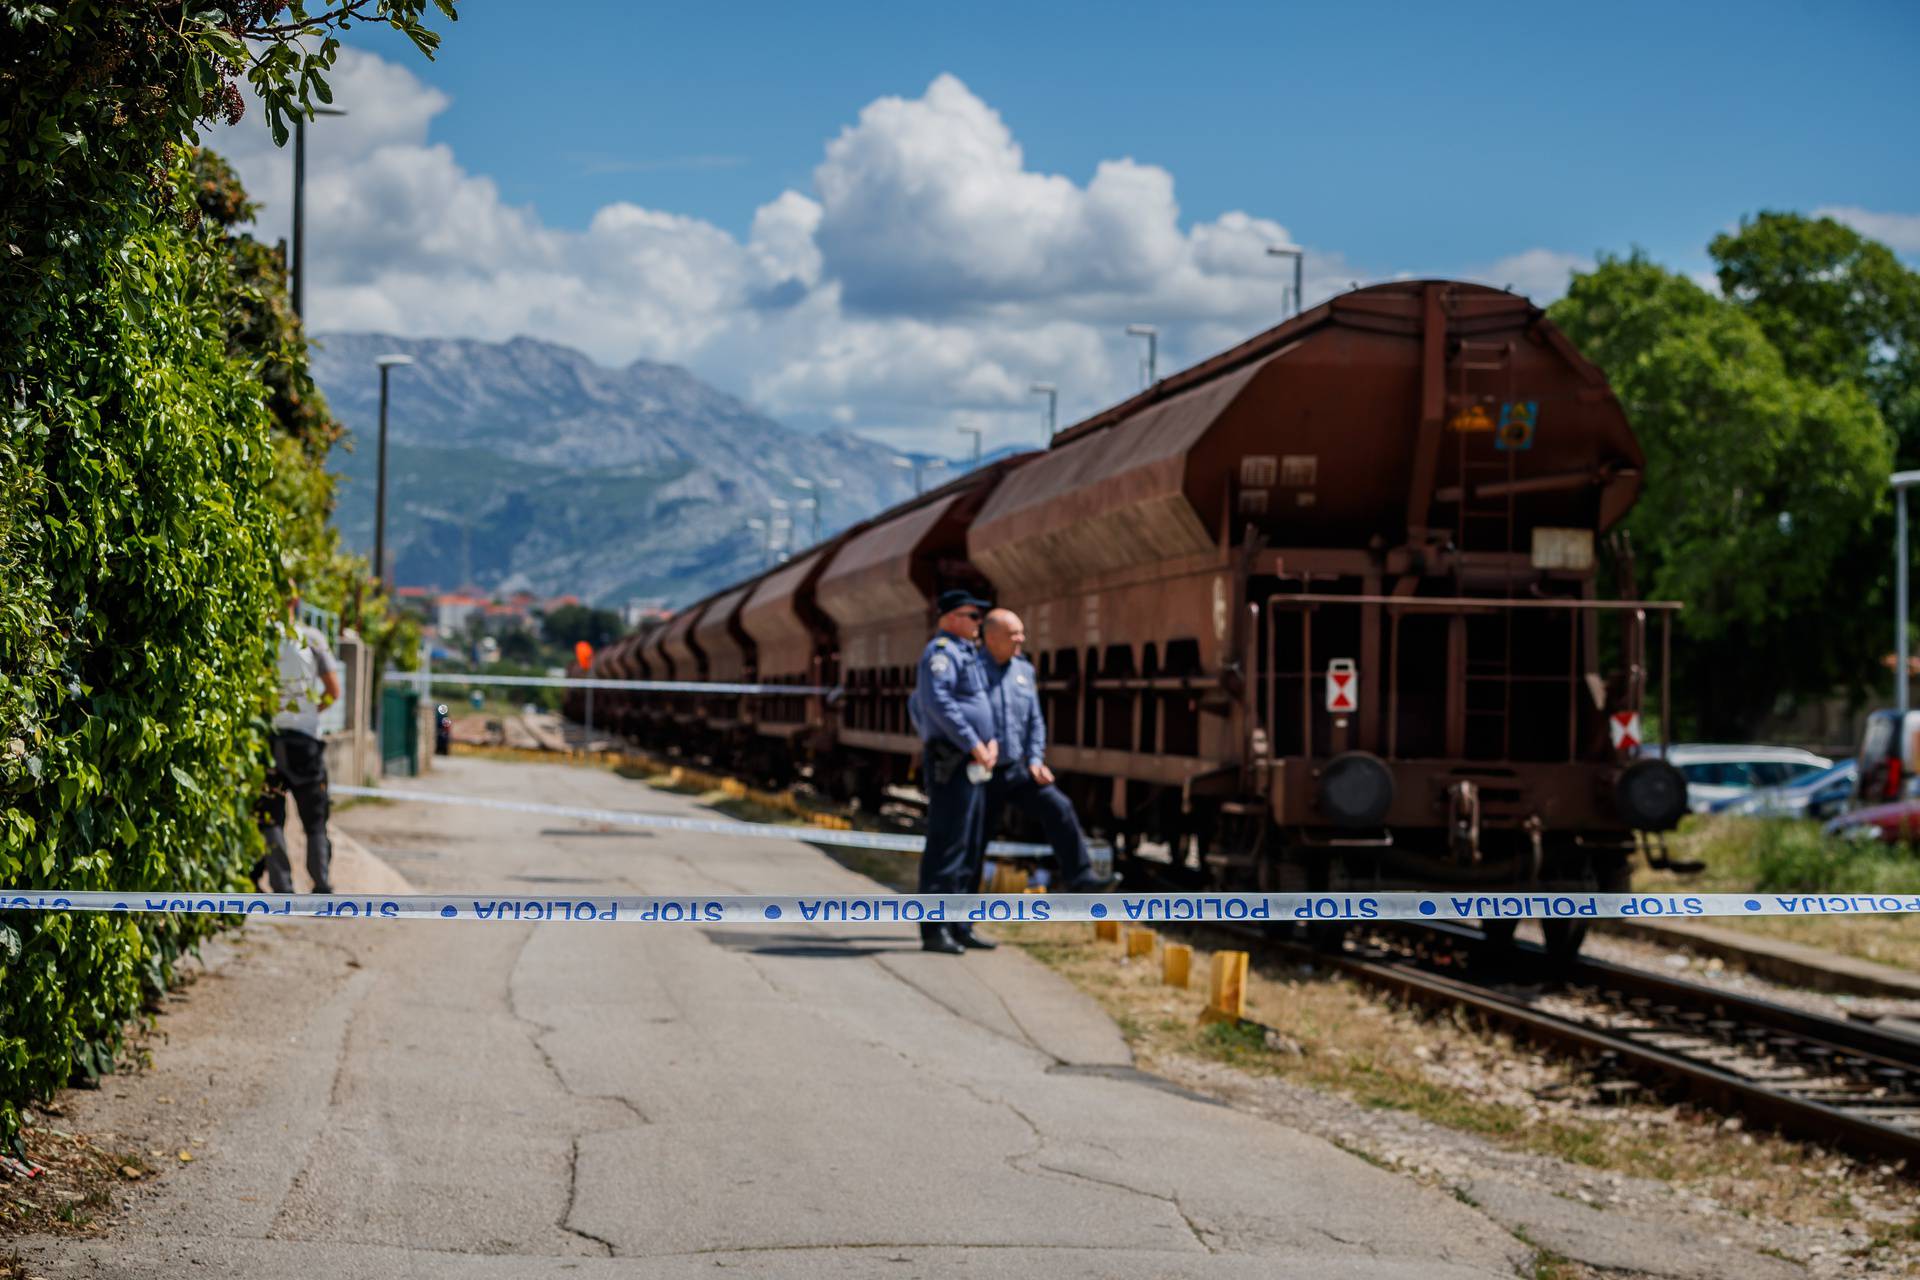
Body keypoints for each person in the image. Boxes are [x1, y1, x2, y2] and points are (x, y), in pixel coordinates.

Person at [975, 609, 1118, 896]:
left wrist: (1036, 760)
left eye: (1021, 632)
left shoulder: (1024, 670)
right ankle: (958, 919)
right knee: (974, 841)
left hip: (1016, 769)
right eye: (1013, 634)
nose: (1021, 639)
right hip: (981, 772)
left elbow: (1035, 721)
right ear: (990, 637)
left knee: (1058, 807)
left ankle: (1081, 876)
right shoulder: (971, 670)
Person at [907, 588, 997, 954]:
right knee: (947, 846)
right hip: (953, 758)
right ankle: (934, 929)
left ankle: (959, 923)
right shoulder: (941, 653)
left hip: (973, 761)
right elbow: (937, 702)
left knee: (969, 845)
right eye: (973, 616)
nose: (979, 624)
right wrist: (973, 742)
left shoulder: (967, 654)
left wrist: (990, 744)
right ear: (948, 618)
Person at [257, 588, 342, 894]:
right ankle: (320, 883)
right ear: (296, 601)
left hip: (269, 740)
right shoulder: (313, 638)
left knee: (270, 814)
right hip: (304, 742)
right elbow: (334, 691)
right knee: (315, 817)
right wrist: (310, 710)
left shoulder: (262, 638)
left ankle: (282, 887)